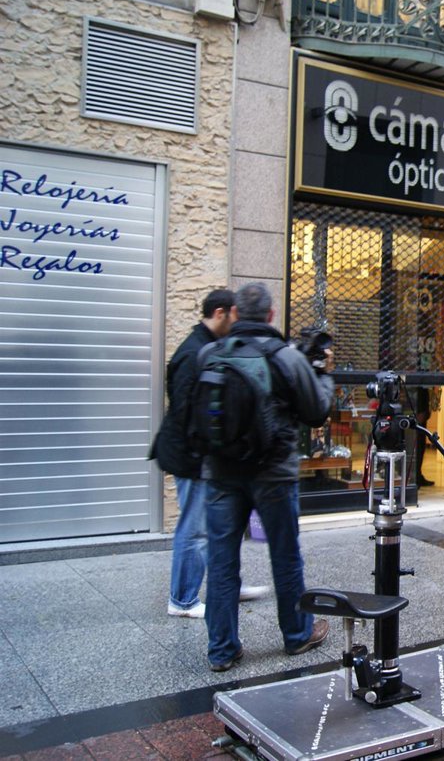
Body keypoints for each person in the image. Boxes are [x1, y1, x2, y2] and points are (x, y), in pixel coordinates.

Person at [202, 282, 334, 672]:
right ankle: (297, 635)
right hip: (274, 474)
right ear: (271, 315)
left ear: (235, 314)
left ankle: (221, 649)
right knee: (285, 555)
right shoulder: (286, 357)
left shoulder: (210, 354)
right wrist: (324, 374)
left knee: (222, 560)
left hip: (221, 473)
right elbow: (316, 411)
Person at [149, 289, 268, 619]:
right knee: (195, 529)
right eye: (234, 315)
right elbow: (186, 413)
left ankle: (228, 584)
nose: (237, 321)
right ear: (221, 313)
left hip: (203, 456)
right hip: (191, 457)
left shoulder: (207, 346)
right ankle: (182, 600)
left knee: (220, 525)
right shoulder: (193, 352)